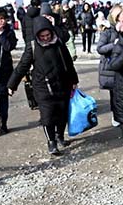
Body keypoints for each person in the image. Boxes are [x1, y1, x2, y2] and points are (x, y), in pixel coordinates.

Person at [8, 16, 79, 156]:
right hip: (43, 87)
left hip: (62, 84)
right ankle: (51, 141)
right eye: (42, 36)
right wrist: (12, 84)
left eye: (48, 35)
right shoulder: (33, 47)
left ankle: (60, 136)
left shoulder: (58, 43)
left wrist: (74, 80)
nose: (46, 38)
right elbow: (22, 67)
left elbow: (68, 63)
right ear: (37, 35)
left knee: (63, 113)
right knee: (48, 116)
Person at [97, 5, 123, 127]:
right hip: (111, 67)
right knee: (115, 94)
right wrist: (113, 45)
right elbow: (100, 48)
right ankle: (116, 115)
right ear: (117, 17)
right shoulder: (108, 31)